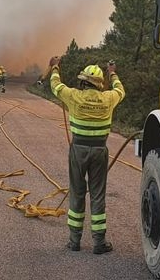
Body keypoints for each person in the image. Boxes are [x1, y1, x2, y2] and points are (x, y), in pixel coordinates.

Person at [48, 56, 124, 254]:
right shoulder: (108, 98)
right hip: (99, 151)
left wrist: (55, 67)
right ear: (99, 84)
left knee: (77, 192)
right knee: (97, 195)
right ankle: (99, 242)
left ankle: (74, 241)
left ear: (83, 81)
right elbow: (120, 90)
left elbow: (55, 85)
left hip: (78, 150)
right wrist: (112, 73)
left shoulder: (73, 96)